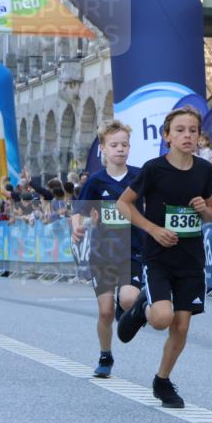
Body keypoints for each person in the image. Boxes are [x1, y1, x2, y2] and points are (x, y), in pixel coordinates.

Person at [115, 106, 212, 409]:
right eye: (180, 130)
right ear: (167, 136)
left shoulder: (204, 170)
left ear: (199, 136)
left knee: (182, 326)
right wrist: (152, 229)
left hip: (191, 259)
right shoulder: (154, 168)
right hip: (159, 257)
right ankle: (141, 309)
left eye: (193, 131)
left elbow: (210, 213)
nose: (187, 135)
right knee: (162, 319)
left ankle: (162, 380)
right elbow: (124, 205)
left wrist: (204, 209)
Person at [70, 120, 144, 378]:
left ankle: (128, 308)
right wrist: (78, 227)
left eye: (124, 144)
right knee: (104, 311)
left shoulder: (139, 178)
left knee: (128, 299)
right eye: (114, 145)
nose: (120, 149)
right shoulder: (95, 182)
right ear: (103, 148)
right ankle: (105, 355)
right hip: (102, 254)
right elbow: (78, 213)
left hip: (133, 251)